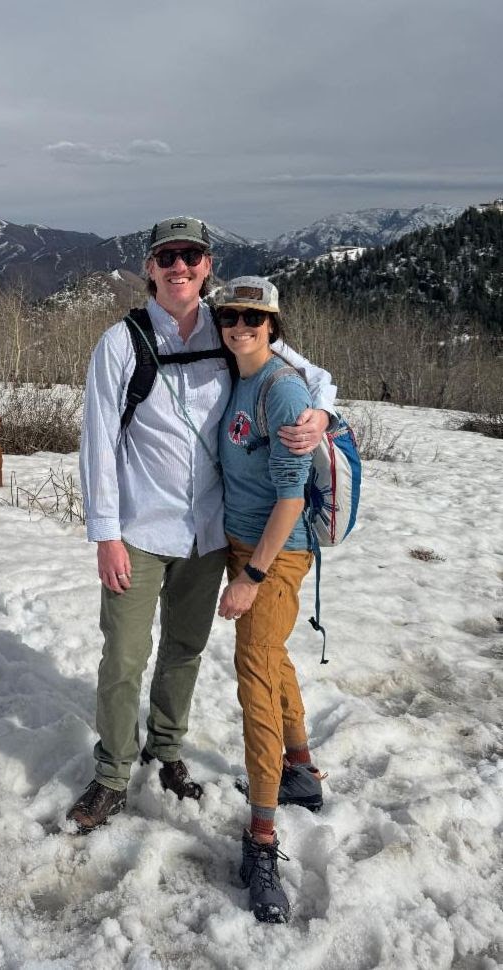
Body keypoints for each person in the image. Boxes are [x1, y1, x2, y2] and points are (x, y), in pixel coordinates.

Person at [67, 218, 337, 833]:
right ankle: (112, 774)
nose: (179, 267)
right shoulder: (122, 342)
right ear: (150, 268)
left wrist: (320, 415)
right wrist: (105, 534)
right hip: (138, 531)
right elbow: (98, 443)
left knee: (183, 650)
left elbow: (309, 376)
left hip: (207, 533)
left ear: (207, 266)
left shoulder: (227, 328)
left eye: (191, 256)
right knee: (124, 657)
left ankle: (166, 750)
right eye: (167, 257)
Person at [215, 276, 324, 924]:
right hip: (240, 544)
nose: (240, 328)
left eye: (253, 319)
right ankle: (300, 769)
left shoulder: (281, 391)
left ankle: (261, 838)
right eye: (231, 317)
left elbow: (289, 499)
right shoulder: (236, 375)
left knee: (254, 670)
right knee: (272, 654)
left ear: (273, 326)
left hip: (274, 554)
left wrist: (251, 577)